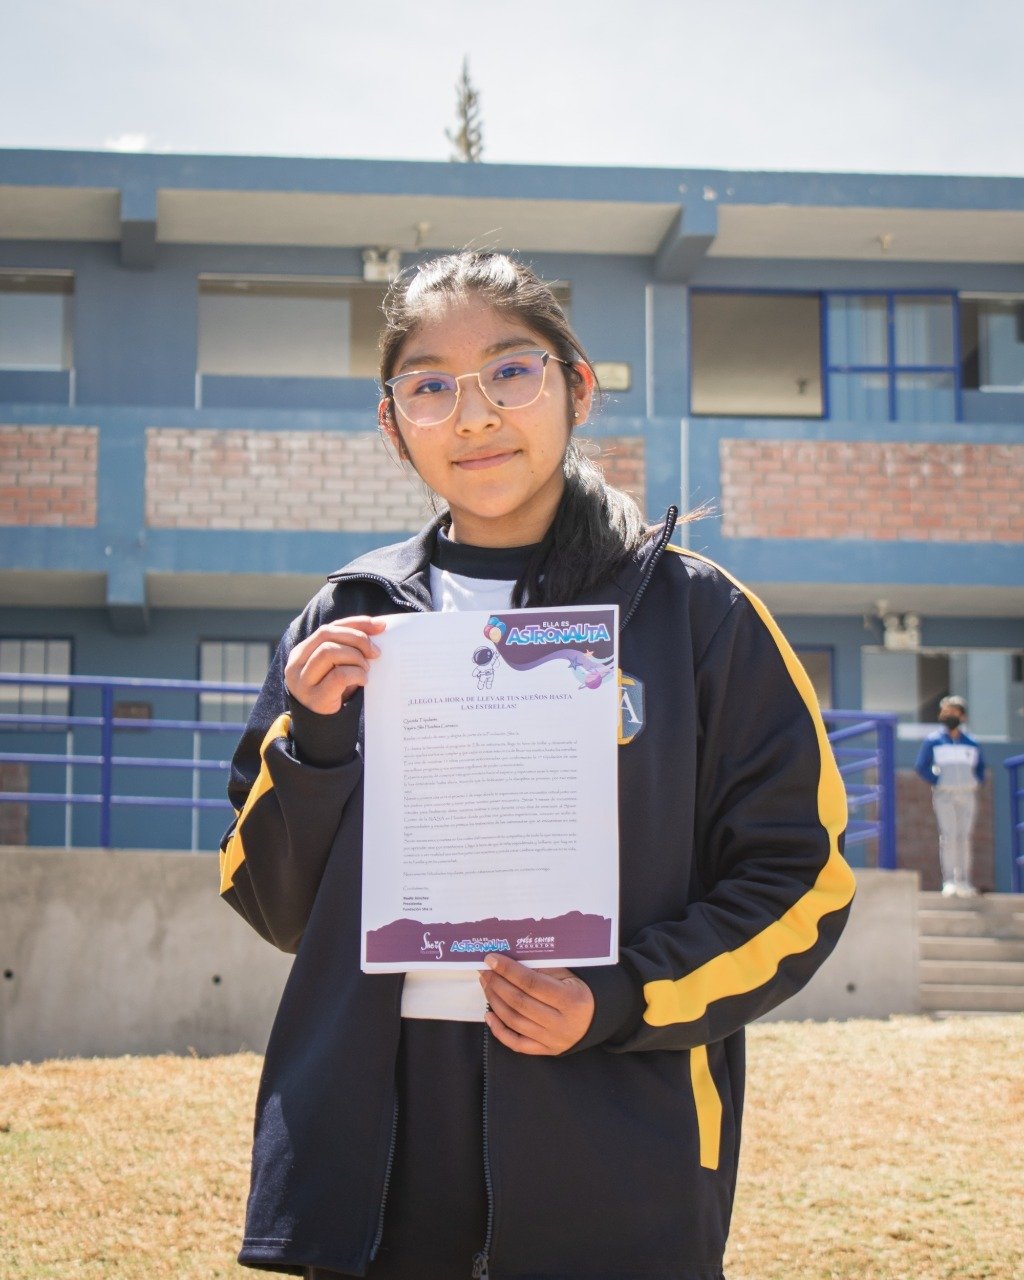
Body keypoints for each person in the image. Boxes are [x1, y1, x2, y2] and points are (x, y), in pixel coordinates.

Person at [219, 250, 856, 1280]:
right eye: (428, 385)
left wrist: (617, 996)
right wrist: (316, 742)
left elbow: (801, 879)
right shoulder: (346, 618)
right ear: (392, 424)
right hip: (375, 1147)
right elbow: (270, 899)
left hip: (613, 1133)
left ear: (576, 385)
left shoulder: (699, 617)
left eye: (509, 372)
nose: (471, 415)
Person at [915, 695, 986, 896]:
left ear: (962, 716)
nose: (948, 716)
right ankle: (949, 881)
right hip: (944, 795)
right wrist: (940, 782)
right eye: (945, 712)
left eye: (953, 712)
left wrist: (973, 782)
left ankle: (964, 881)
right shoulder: (933, 741)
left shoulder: (972, 742)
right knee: (948, 836)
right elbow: (921, 766)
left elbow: (980, 768)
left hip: (967, 795)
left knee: (964, 837)